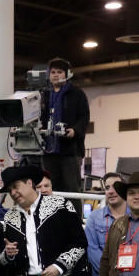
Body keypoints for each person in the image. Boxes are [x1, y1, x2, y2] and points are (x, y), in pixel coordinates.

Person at [40, 57, 90, 193]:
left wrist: (75, 130)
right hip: (48, 150)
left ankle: (74, 215)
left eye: (60, 72)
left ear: (67, 74)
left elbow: (84, 118)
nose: (56, 75)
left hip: (70, 150)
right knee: (52, 188)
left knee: (71, 189)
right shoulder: (43, 94)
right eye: (53, 72)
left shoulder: (76, 93)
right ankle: (55, 215)